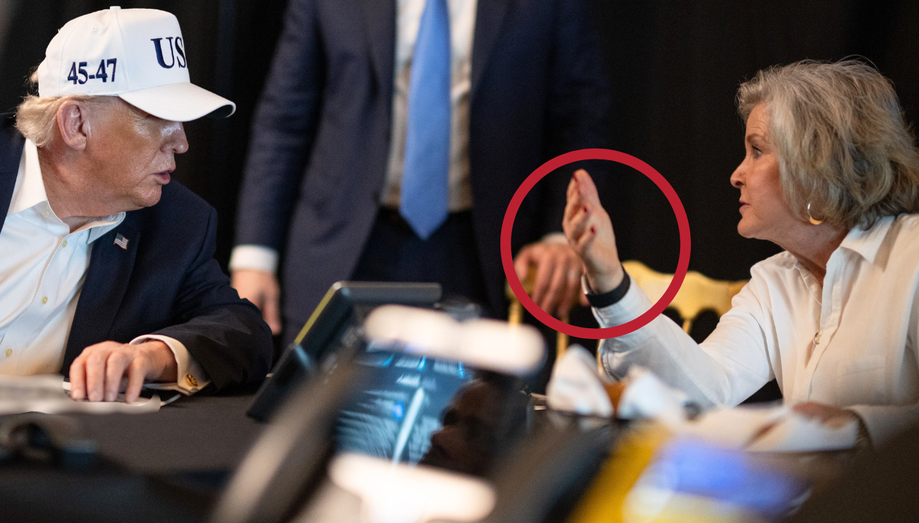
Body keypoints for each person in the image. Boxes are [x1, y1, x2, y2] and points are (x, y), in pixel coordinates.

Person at [564, 59, 919, 447]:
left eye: (757, 151)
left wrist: (855, 425)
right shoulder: (773, 282)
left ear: (816, 166)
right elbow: (702, 392)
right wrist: (609, 280)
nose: (736, 174)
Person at [230, 0, 610, 344]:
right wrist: (254, 257)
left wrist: (560, 235)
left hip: (482, 254)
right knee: (316, 415)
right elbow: (284, 120)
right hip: (344, 245)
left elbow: (580, 118)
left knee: (469, 416)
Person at [0, 7, 273, 403]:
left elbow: (245, 332)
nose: (181, 142)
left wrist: (150, 355)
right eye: (160, 117)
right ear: (76, 124)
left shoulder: (179, 223)